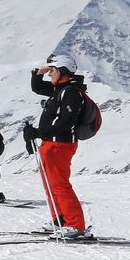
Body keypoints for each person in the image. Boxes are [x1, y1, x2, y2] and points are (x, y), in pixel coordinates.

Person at [24, 53, 90, 239]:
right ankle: (60, 220)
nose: (49, 73)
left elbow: (67, 122)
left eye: (52, 70)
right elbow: (37, 87)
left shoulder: (71, 92)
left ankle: (75, 225)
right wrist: (38, 72)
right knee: (50, 184)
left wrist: (39, 132)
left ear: (62, 70)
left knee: (60, 185)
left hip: (60, 145)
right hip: (51, 143)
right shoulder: (60, 89)